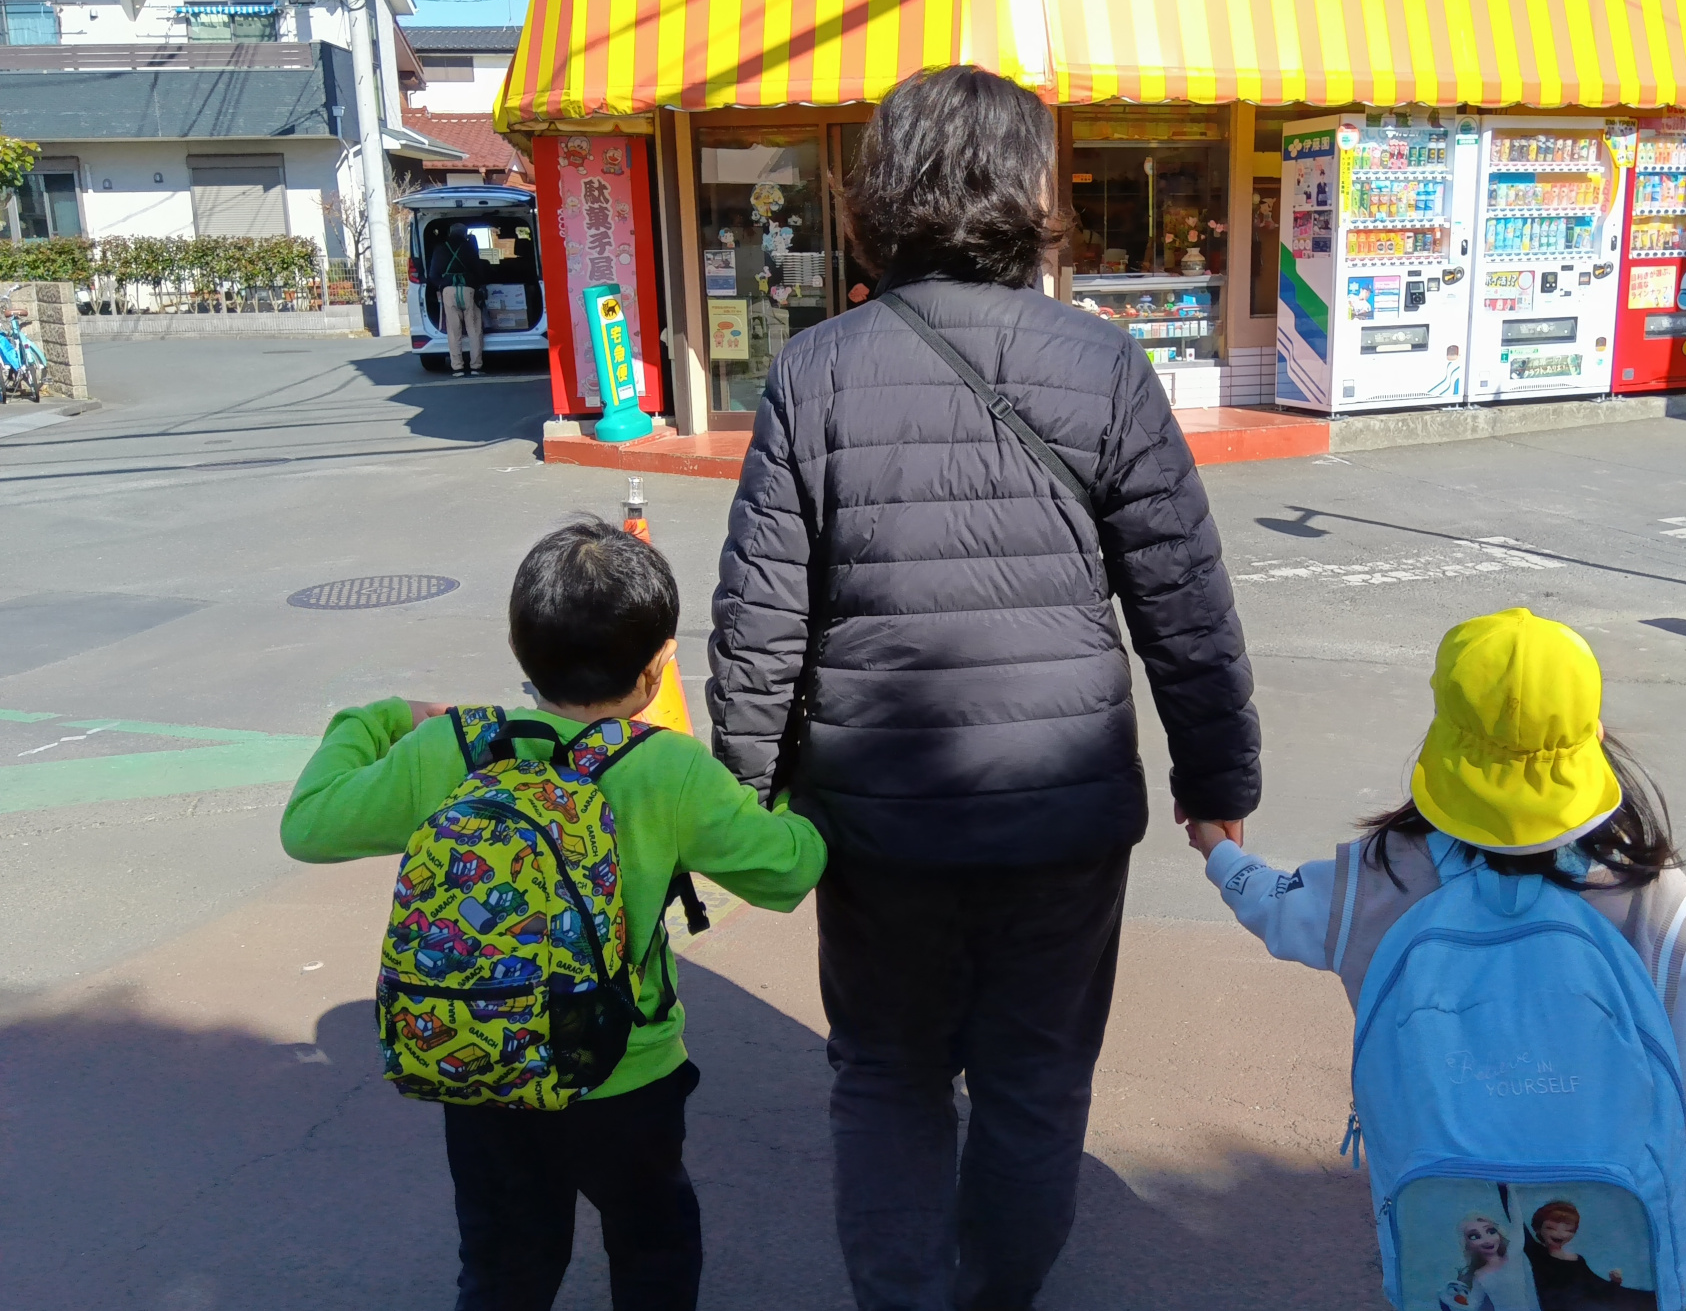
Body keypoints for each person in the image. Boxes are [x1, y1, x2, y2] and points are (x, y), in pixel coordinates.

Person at [706, 64, 1260, 1311]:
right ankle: (997, 1290)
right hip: (1061, 808)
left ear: (879, 196)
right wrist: (1217, 777)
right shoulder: (1101, 362)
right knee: (1034, 1075)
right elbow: (1181, 596)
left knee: (885, 1071)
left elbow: (760, 615)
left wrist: (740, 796)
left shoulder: (815, 368)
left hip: (875, 814)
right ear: (1028, 194)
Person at [282, 520, 827, 1311]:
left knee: (505, 1266)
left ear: (518, 645)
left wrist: (379, 717)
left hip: (484, 1059)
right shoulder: (668, 769)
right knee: (654, 1246)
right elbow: (789, 870)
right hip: (624, 1066)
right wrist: (792, 794)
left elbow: (307, 824)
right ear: (657, 665)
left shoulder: (450, 748)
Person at [1186, 607, 1686, 1296]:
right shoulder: (1646, 891)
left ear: (1444, 746)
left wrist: (1220, 851)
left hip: (1441, 1183)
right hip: (1612, 1190)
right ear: (1593, 740)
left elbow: (1275, 906)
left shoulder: (1382, 876)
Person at [427, 220, 487, 376]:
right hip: (468, 290)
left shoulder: (440, 249)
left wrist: (442, 285)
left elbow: (432, 275)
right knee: (474, 330)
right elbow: (480, 272)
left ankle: (457, 368)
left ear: (450, 233)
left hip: (448, 292)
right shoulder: (469, 248)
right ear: (465, 234)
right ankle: (476, 367)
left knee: (454, 331)